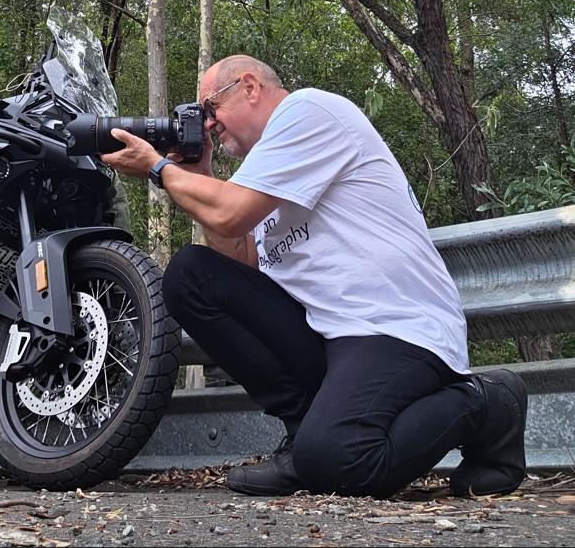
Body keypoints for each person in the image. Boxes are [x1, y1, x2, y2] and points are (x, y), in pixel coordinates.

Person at [99, 55, 528, 499]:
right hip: (328, 333)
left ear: (249, 86)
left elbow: (229, 212)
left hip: (396, 326)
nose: (207, 125)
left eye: (210, 108)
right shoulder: (260, 173)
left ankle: (491, 401)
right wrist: (200, 176)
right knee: (192, 274)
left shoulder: (309, 112)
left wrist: (157, 167)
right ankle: (302, 434)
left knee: (341, 463)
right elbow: (242, 258)